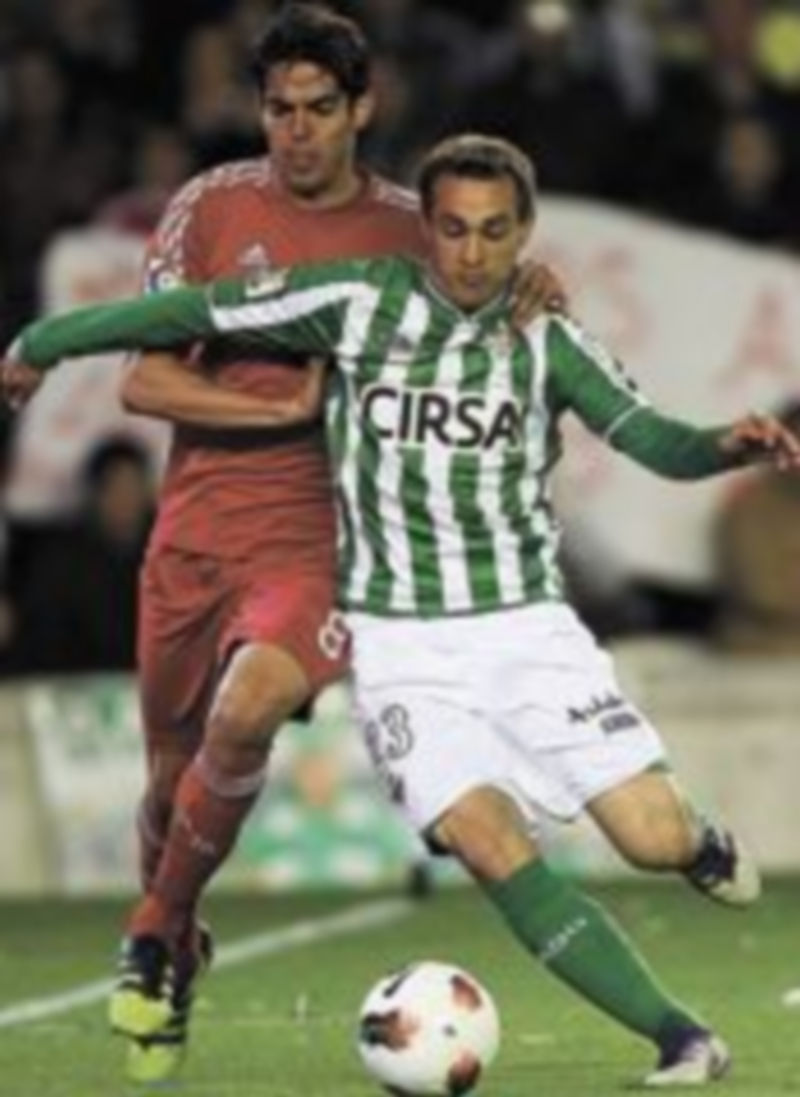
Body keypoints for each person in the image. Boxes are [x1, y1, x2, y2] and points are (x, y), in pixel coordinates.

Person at [7, 135, 799, 1088]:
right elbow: (194, 307)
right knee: (482, 837)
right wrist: (45, 341)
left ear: (524, 235)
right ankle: (683, 1038)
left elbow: (655, 441)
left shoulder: (548, 338)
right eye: (455, 229)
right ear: (427, 228)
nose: (472, 252)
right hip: (401, 645)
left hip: (525, 631)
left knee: (649, 838)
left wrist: (729, 443)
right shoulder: (358, 299)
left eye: (494, 232)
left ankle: (695, 839)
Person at [0, 7, 565, 1086]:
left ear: (363, 108)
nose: (295, 133)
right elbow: (144, 375)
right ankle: (177, 932)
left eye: (318, 111)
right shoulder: (209, 206)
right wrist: (277, 411)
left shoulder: (413, 229)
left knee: (250, 701)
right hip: (196, 529)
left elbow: (490, 329)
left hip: (320, 538)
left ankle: (150, 931)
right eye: (276, 111)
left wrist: (529, 297)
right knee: (169, 787)